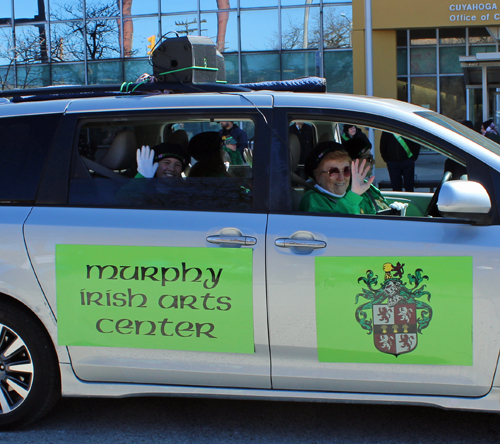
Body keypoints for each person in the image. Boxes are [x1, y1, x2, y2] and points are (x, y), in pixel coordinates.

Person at [299, 141, 405, 215]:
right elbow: (335, 229)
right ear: (318, 177)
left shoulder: (353, 191)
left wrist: (393, 213)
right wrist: (353, 197)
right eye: (333, 172)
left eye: (346, 170)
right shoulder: (313, 199)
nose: (341, 178)